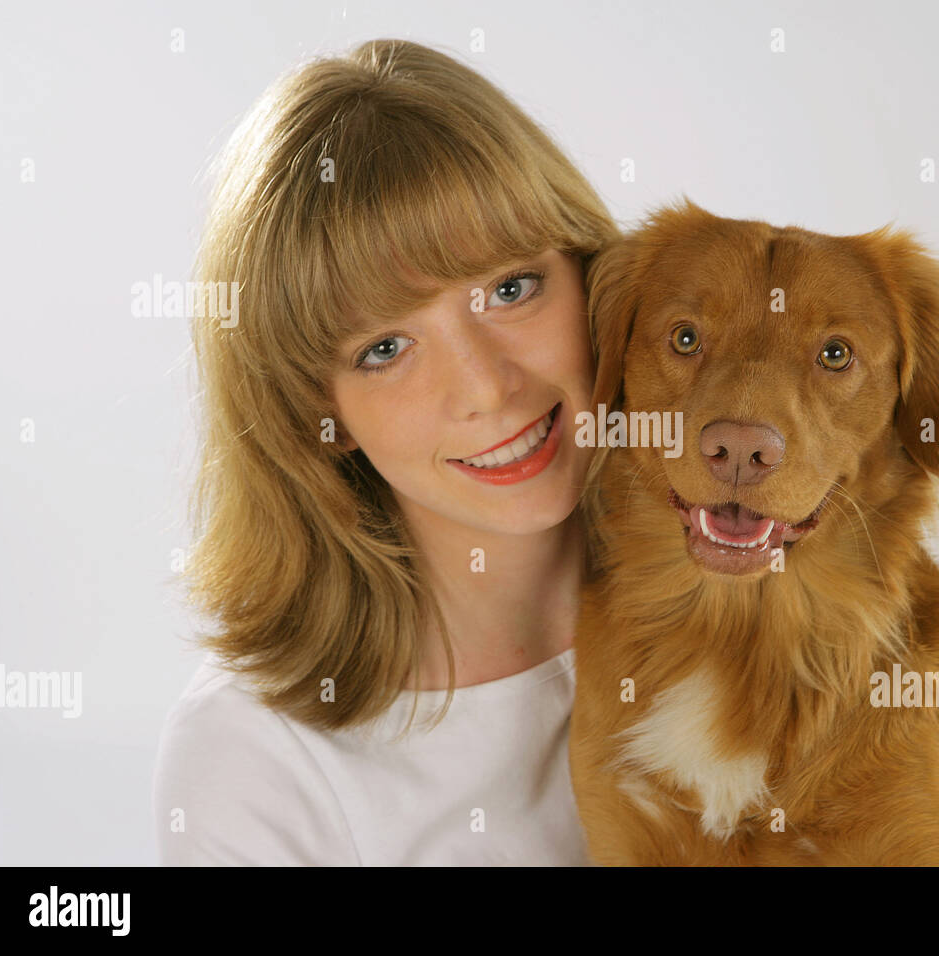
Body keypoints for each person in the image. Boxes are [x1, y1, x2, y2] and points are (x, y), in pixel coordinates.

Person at [152, 38, 620, 865]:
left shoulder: (773, 593)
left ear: (593, 274)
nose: (483, 386)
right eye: (385, 349)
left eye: (511, 288)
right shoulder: (256, 761)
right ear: (312, 416)